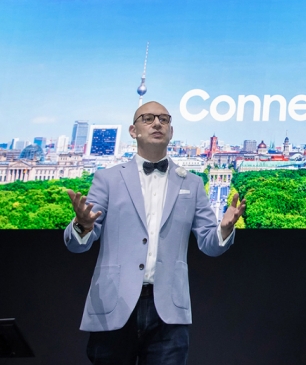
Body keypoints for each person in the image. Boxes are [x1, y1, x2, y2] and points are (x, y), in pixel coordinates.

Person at [64, 101, 245, 364]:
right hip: (113, 303)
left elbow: (210, 244)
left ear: (171, 131)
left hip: (169, 310)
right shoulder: (107, 179)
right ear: (133, 130)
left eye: (164, 119)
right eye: (148, 118)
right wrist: (82, 225)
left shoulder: (193, 183)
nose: (157, 123)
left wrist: (225, 229)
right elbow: (78, 244)